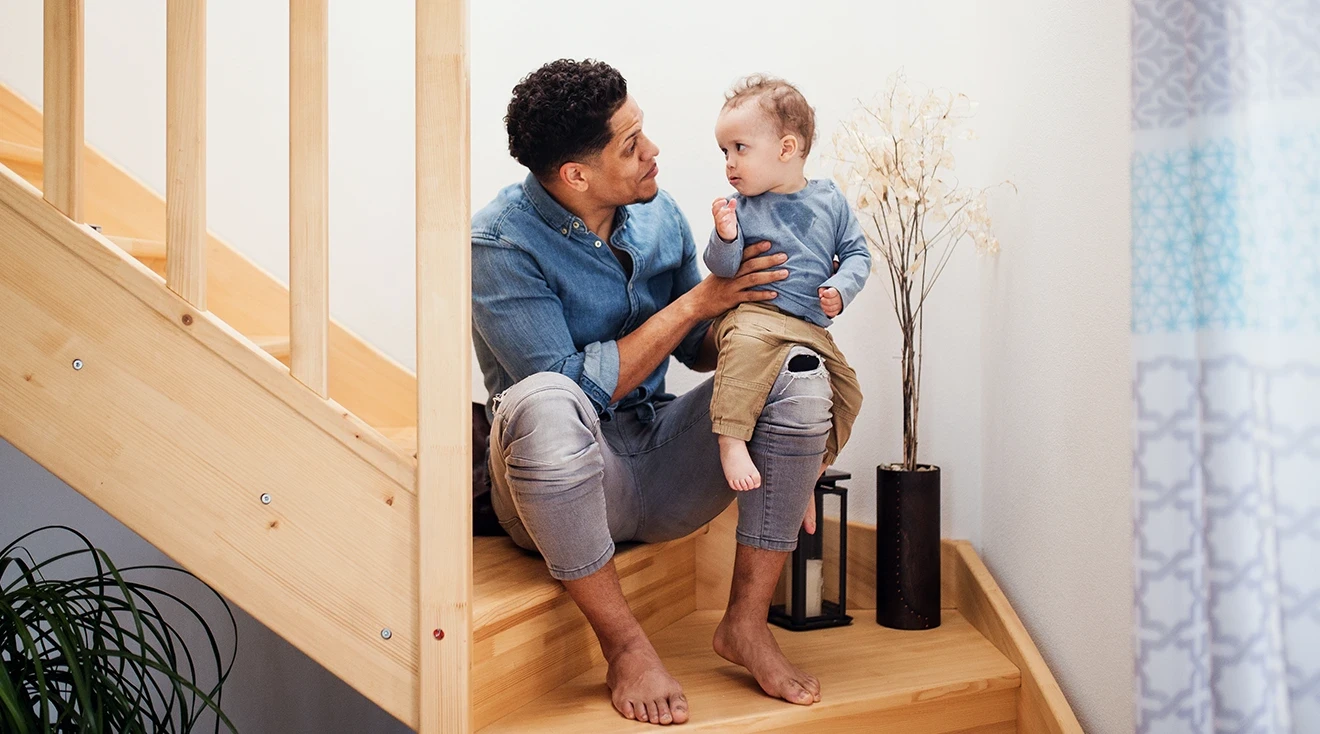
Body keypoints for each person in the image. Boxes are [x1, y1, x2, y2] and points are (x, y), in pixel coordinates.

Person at [472, 59, 831, 726]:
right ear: (576, 175)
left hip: (659, 459)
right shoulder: (498, 244)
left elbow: (693, 348)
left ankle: (746, 625)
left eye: (645, 132)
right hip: (559, 486)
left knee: (796, 368)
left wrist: (758, 334)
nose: (653, 151)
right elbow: (576, 390)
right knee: (543, 400)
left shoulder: (655, 210)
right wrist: (697, 301)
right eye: (630, 144)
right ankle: (626, 644)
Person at [704, 75, 869, 492]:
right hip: (754, 317)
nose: (729, 162)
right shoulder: (738, 208)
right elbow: (722, 268)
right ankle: (731, 440)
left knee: (849, 393)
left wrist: (841, 288)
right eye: (724, 151)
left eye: (740, 148)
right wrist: (724, 236)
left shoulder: (830, 201)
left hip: (809, 327)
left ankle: (814, 462)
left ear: (787, 148)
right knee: (740, 353)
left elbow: (857, 255)